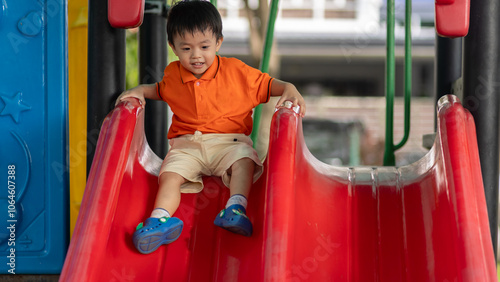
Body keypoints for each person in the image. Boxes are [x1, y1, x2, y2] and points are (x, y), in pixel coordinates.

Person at [116, 0, 306, 254]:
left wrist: (290, 88)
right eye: (186, 48)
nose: (196, 55)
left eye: (204, 47)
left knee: (244, 162)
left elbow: (271, 85)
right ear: (173, 47)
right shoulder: (174, 74)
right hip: (187, 146)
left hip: (229, 142)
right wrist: (140, 90)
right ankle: (159, 220)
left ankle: (236, 207)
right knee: (169, 176)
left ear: (218, 42)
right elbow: (161, 91)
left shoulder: (236, 72)